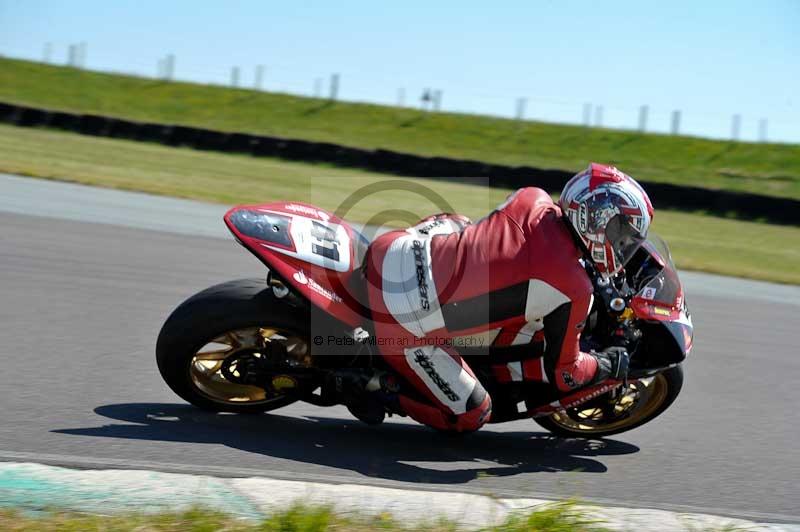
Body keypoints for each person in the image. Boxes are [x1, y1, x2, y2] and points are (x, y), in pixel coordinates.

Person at [363, 163, 654, 432]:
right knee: (473, 413)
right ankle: (376, 388)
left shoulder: (531, 197)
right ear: (595, 219)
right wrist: (608, 364)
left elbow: (517, 254)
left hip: (394, 248)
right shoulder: (574, 289)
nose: (622, 243)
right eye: (619, 231)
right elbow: (567, 376)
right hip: (401, 318)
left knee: (461, 223)